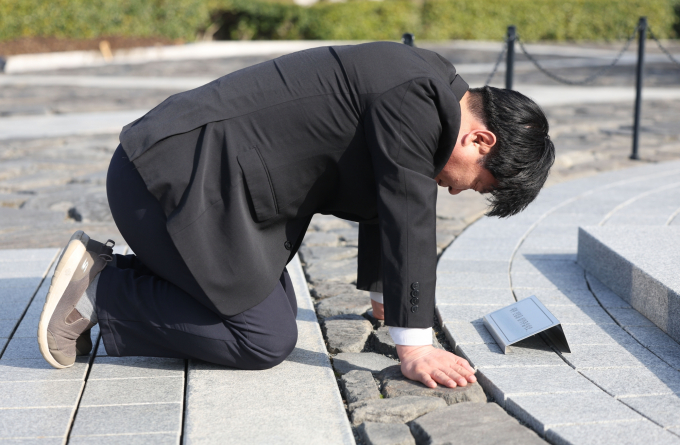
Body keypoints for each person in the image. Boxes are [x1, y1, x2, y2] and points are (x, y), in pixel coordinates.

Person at [37, 41, 554, 389]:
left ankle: (112, 273)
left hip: (197, 183)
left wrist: (385, 301)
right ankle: (99, 294)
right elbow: (408, 214)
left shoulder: (428, 88)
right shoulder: (418, 101)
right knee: (264, 338)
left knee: (274, 300)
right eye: (478, 184)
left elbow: (387, 197)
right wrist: (414, 346)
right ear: (480, 139)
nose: (460, 192)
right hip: (166, 181)